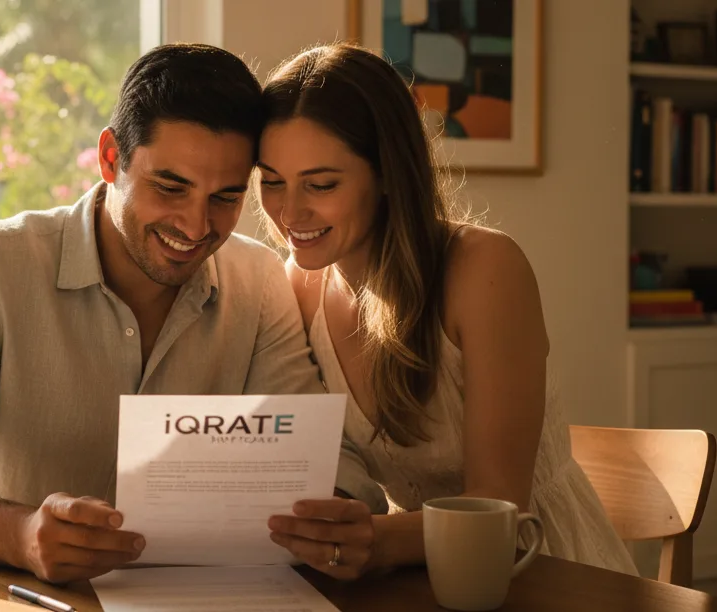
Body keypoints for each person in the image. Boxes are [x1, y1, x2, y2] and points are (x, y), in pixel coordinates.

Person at [0, 43, 379, 585]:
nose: (197, 227)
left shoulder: (261, 281)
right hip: (26, 597)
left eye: (225, 197)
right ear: (111, 158)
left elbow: (323, 460)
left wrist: (334, 511)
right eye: (169, 187)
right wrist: (21, 535)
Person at [259, 43, 638, 579]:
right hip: (411, 578)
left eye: (321, 184)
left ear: (388, 172)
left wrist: (371, 539)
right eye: (271, 180)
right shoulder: (298, 287)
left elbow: (502, 509)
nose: (289, 212)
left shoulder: (485, 270)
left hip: (540, 569)